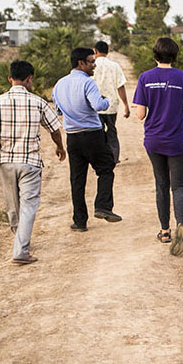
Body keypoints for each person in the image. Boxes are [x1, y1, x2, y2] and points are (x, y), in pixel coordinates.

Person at [0, 60, 66, 265]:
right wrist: (60, 147)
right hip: (30, 161)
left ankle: (20, 241)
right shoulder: (38, 102)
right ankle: (21, 249)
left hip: (6, 161)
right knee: (28, 206)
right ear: (29, 79)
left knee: (13, 206)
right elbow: (54, 129)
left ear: (10, 79)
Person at [133, 37, 183, 255]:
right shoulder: (182, 77)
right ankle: (181, 224)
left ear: (155, 55)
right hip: (178, 140)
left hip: (154, 139)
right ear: (175, 56)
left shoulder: (145, 78)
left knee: (161, 184)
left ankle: (165, 231)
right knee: (179, 186)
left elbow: (140, 115)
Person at [52, 47, 121, 231]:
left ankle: (80, 221)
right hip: (92, 135)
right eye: (91, 61)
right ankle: (103, 206)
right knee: (106, 168)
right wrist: (106, 100)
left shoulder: (59, 85)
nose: (94, 65)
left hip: (73, 138)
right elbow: (98, 105)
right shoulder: (88, 83)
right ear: (81, 63)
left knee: (77, 179)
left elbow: (58, 111)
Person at [91, 40, 130, 162]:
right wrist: (126, 105)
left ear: (95, 51)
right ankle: (114, 157)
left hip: (95, 105)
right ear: (107, 52)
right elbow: (120, 86)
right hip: (111, 105)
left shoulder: (91, 66)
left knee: (98, 133)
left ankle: (100, 158)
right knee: (112, 131)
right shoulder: (115, 66)